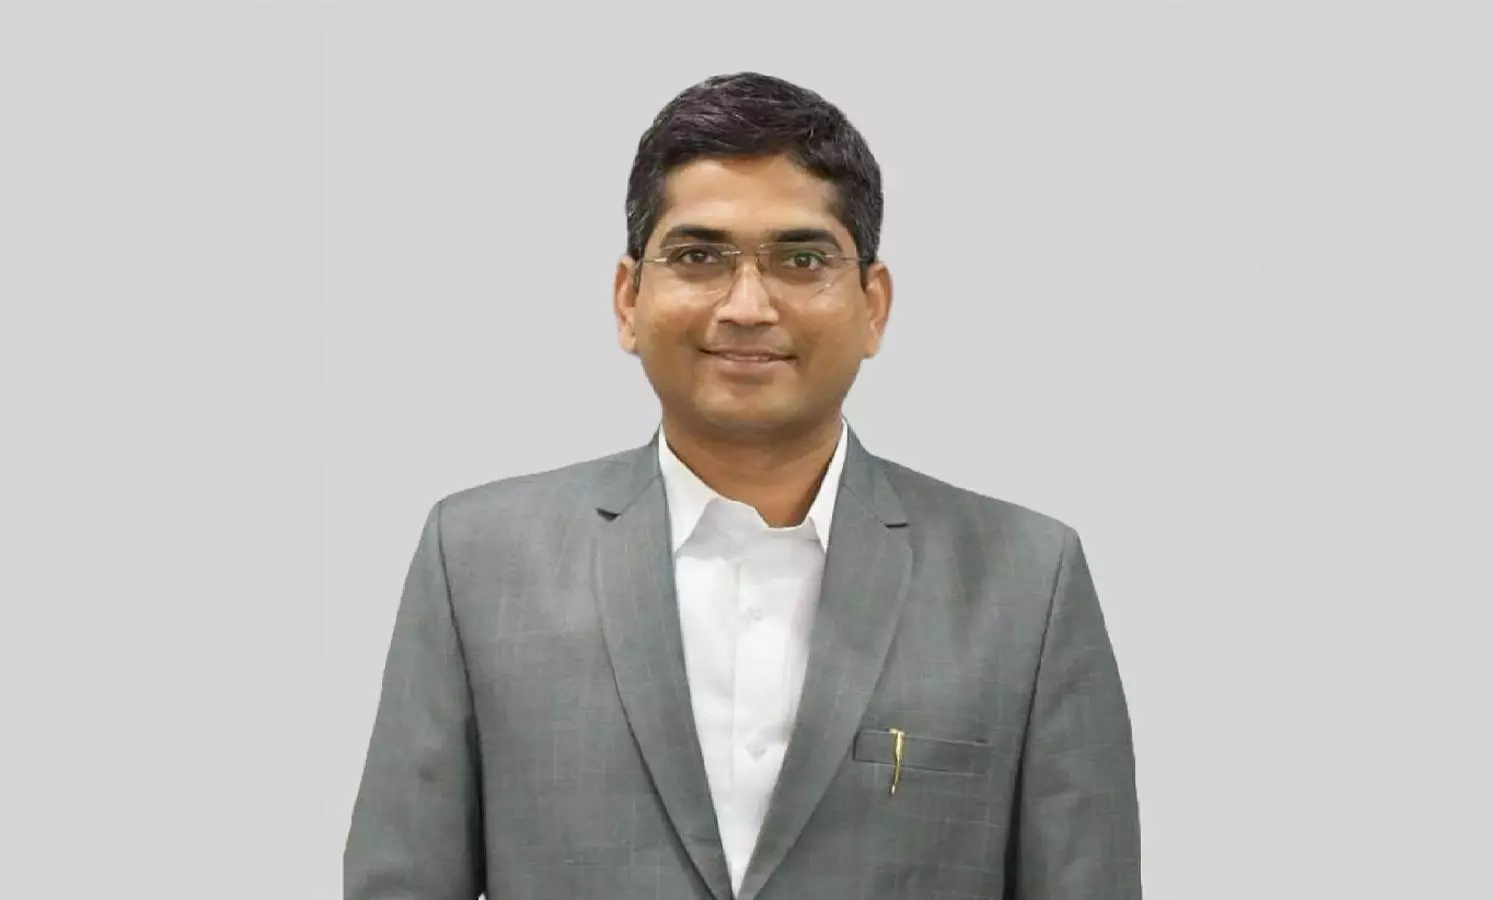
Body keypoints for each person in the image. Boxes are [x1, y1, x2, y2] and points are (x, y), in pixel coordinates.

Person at [344, 71, 1141, 900]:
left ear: (873, 304)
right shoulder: (479, 564)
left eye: (802, 259)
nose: (748, 305)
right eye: (699, 257)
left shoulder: (1025, 583)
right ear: (628, 299)